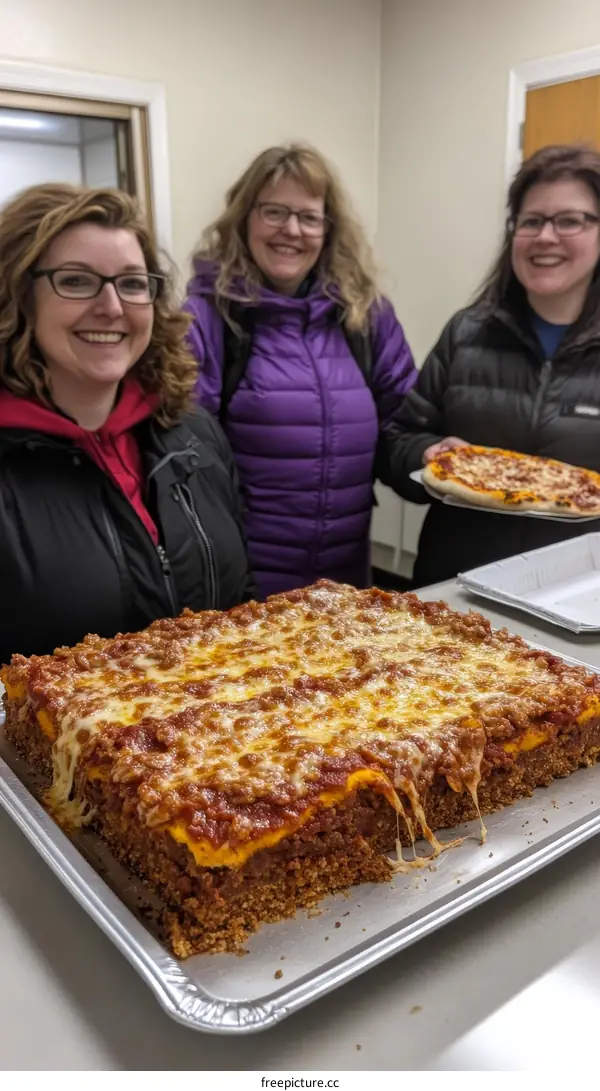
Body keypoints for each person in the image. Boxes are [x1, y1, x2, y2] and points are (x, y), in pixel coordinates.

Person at [0, 183, 256, 665]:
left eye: (133, 283)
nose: (112, 307)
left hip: (217, 731)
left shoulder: (197, 435)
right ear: (19, 296)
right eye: (76, 281)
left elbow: (240, 599)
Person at [184, 143, 417, 598]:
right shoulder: (210, 317)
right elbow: (189, 460)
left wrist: (435, 459)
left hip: (346, 579)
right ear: (244, 217)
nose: (291, 230)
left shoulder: (365, 316)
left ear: (328, 230)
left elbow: (405, 422)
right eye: (274, 212)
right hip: (247, 585)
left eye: (309, 217)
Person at [388, 143, 600, 587]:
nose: (545, 237)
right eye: (532, 221)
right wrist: (427, 454)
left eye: (570, 220)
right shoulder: (467, 331)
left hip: (578, 592)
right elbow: (398, 440)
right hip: (459, 583)